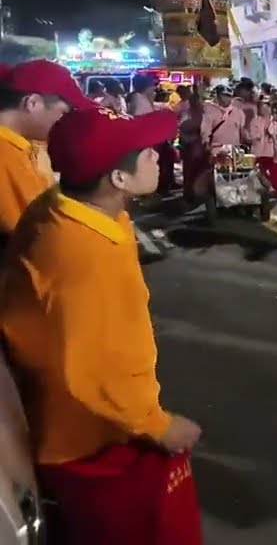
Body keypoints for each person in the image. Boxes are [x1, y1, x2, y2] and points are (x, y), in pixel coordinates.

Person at [0, 106, 202, 544]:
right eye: (145, 152)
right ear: (118, 179)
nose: (157, 155)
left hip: (84, 420)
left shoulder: (72, 207)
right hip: (91, 441)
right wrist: (157, 425)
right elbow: (91, 367)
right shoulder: (82, 258)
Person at [0, 59, 97, 238]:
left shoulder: (19, 147)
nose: (67, 123)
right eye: (64, 113)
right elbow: (38, 236)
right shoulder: (6, 156)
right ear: (33, 103)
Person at [129, 73, 176, 193]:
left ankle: (163, 185)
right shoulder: (139, 100)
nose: (154, 89)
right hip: (146, 141)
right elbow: (141, 121)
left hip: (151, 139)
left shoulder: (142, 98)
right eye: (152, 86)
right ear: (146, 87)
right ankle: (156, 189)